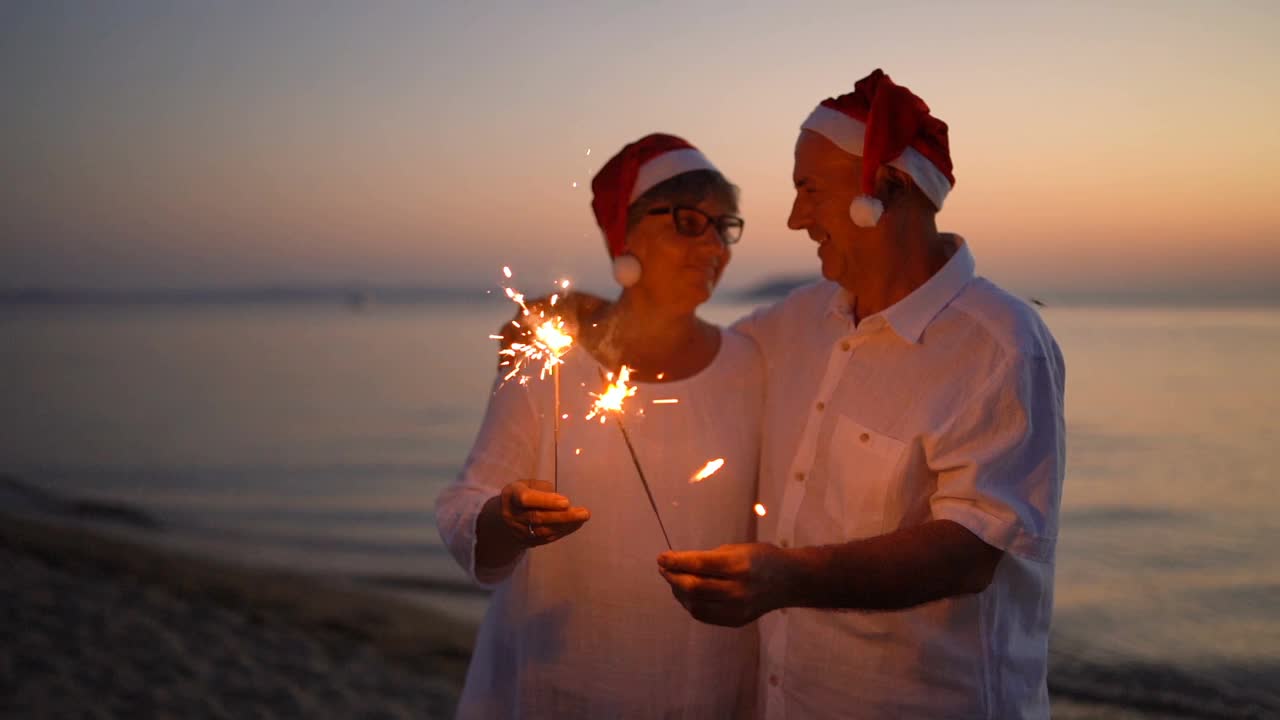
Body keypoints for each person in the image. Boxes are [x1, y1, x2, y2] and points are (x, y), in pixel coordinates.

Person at [657, 69, 1067, 719]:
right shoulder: (800, 318)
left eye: (809, 189)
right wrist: (580, 318)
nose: (795, 217)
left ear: (885, 189)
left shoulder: (1002, 345)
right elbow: (693, 351)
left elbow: (969, 551)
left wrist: (788, 577)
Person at [435, 134, 763, 719]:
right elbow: (466, 501)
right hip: (557, 681)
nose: (713, 244)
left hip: (707, 683)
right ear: (626, 234)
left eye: (724, 225)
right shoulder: (551, 365)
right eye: (689, 221)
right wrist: (506, 520)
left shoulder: (751, 364)